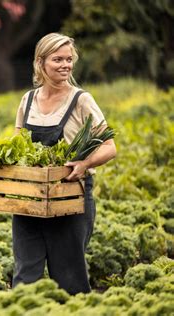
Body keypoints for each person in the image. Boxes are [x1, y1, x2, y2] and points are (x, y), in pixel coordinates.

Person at [12, 33, 117, 295]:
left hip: (70, 199)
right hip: (30, 200)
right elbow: (17, 145)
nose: (65, 65)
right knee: (25, 276)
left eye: (69, 59)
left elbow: (109, 147)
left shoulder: (81, 100)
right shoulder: (28, 100)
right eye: (57, 59)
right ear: (41, 63)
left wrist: (84, 163)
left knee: (70, 278)